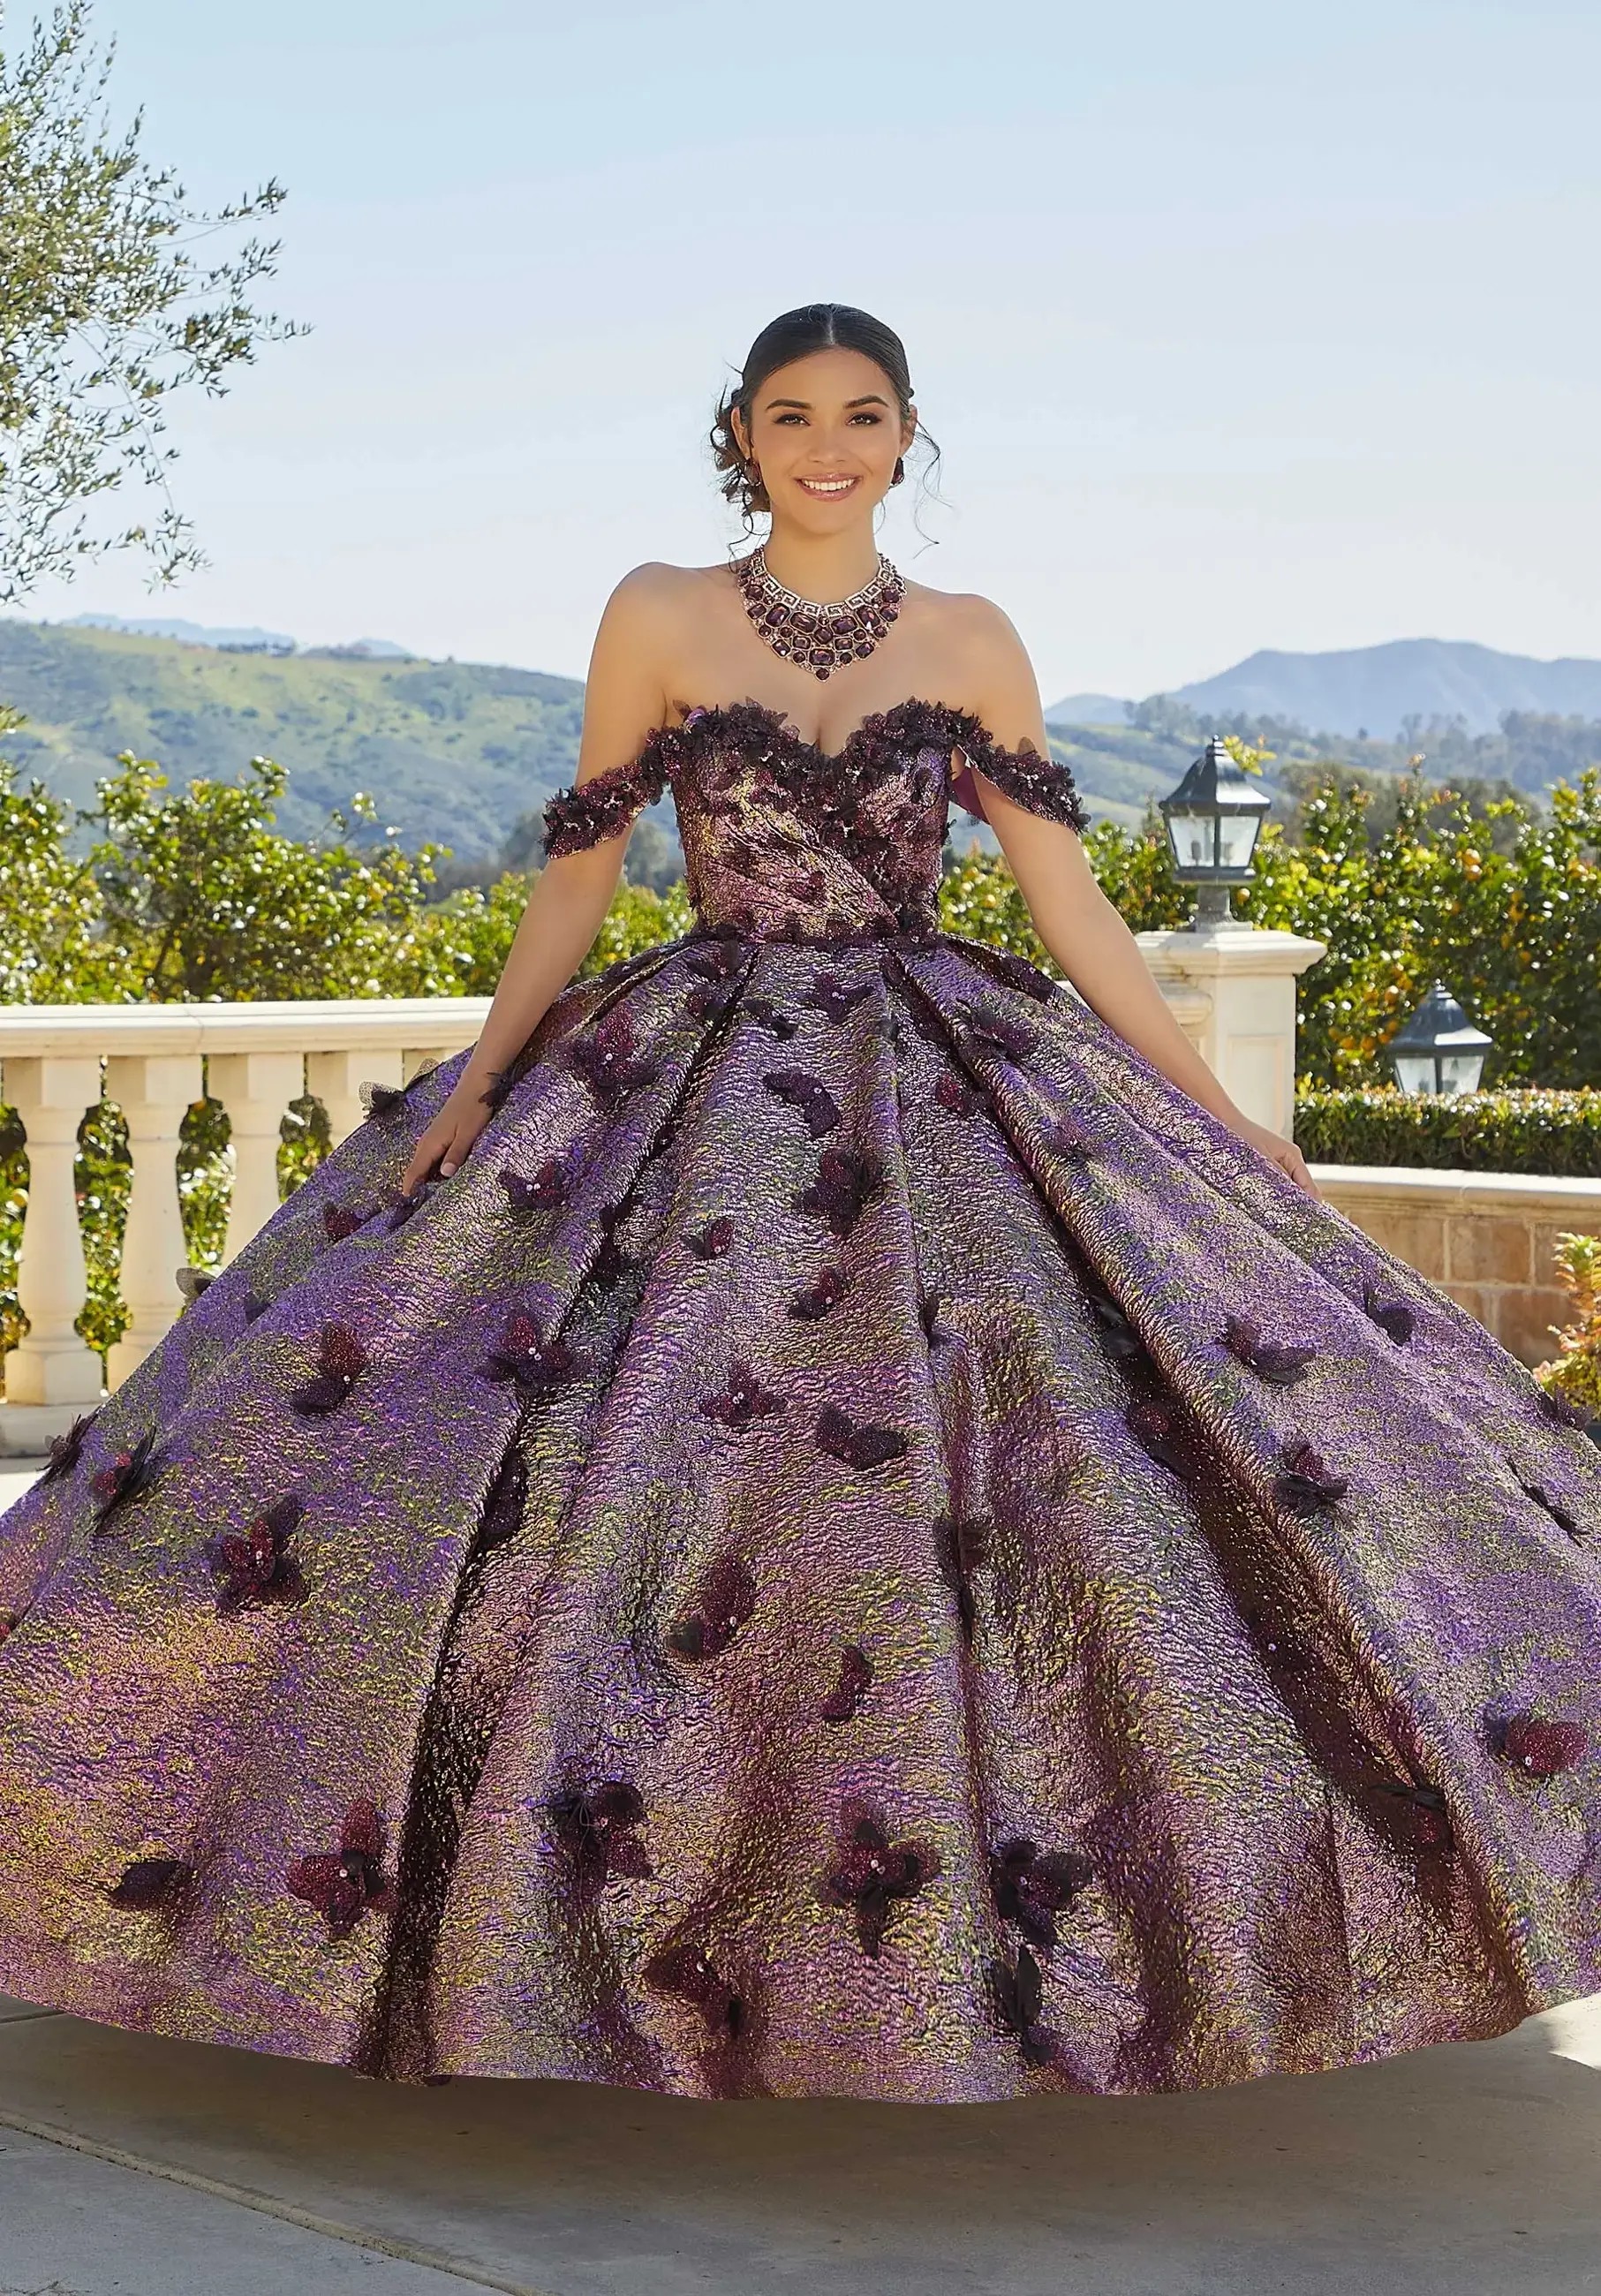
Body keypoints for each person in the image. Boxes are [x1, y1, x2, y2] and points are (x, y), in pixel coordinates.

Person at [1, 303, 1597, 2105]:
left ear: (906, 434)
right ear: (740, 435)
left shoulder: (974, 637)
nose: (824, 442)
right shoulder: (659, 612)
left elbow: (1065, 904)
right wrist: (478, 1080)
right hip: (693, 1054)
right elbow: (579, 875)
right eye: (788, 414)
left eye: (859, 414)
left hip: (939, 1061)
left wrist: (1221, 1117)